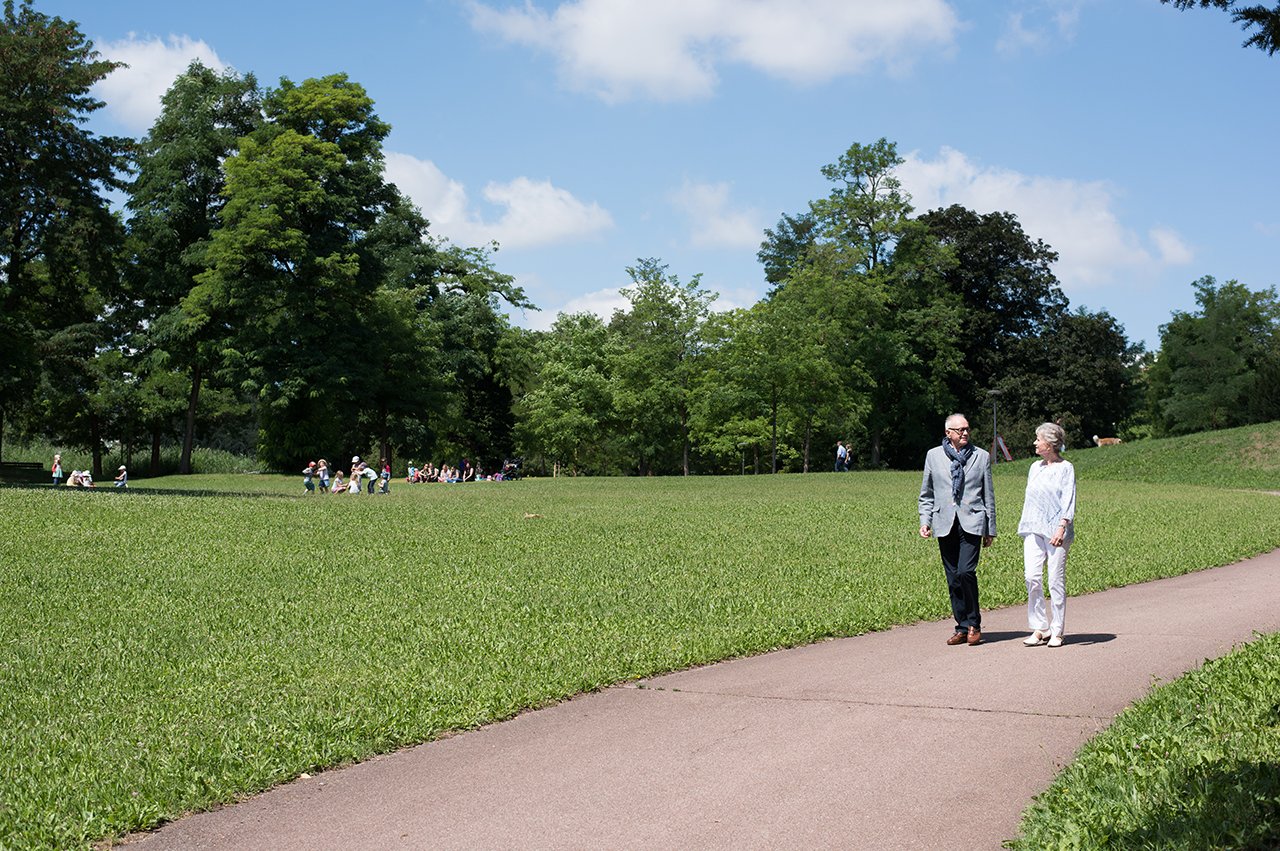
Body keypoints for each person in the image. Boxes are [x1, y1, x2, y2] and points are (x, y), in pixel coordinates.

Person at [918, 413, 996, 646]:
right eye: (959, 430)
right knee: (953, 578)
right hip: (944, 522)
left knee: (965, 572)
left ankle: (974, 623)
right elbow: (927, 493)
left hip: (972, 521)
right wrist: (925, 521)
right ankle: (962, 627)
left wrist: (990, 528)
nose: (964, 433)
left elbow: (988, 494)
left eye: (967, 429)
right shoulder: (933, 456)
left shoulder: (981, 456)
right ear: (948, 433)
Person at [1018, 422, 1076, 648]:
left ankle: (1057, 630)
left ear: (1050, 443)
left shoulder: (1065, 468)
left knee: (1055, 580)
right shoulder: (1035, 467)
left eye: (1038, 439)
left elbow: (1068, 499)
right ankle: (1039, 627)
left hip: (1056, 531)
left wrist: (1061, 527)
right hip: (1033, 527)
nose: (1035, 442)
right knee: (1031, 577)